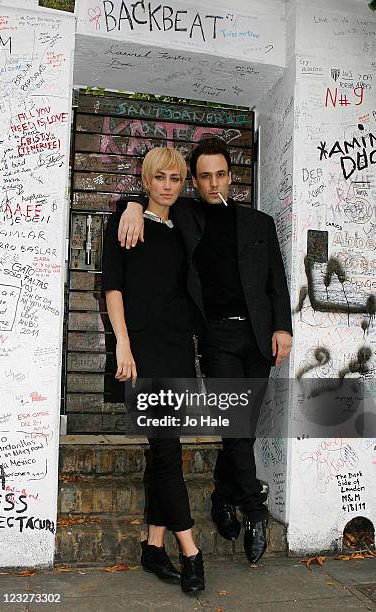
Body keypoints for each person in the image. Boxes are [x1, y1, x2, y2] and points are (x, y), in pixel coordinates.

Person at [117, 138, 293, 564]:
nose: (213, 183)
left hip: (258, 339)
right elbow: (153, 193)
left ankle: (222, 496)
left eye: (221, 174)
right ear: (195, 182)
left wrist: (283, 328)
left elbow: (276, 280)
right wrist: (131, 206)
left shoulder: (259, 223)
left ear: (231, 177)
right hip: (216, 340)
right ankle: (254, 511)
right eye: (204, 176)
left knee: (243, 430)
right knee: (234, 426)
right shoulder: (187, 216)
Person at [102, 147, 205, 594]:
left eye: (176, 178)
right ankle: (192, 552)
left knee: (165, 449)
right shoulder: (126, 221)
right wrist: (123, 345)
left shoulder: (185, 222)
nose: (168, 185)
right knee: (166, 451)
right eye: (159, 177)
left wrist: (133, 200)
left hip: (178, 349)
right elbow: (113, 287)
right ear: (147, 179)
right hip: (141, 349)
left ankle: (153, 546)